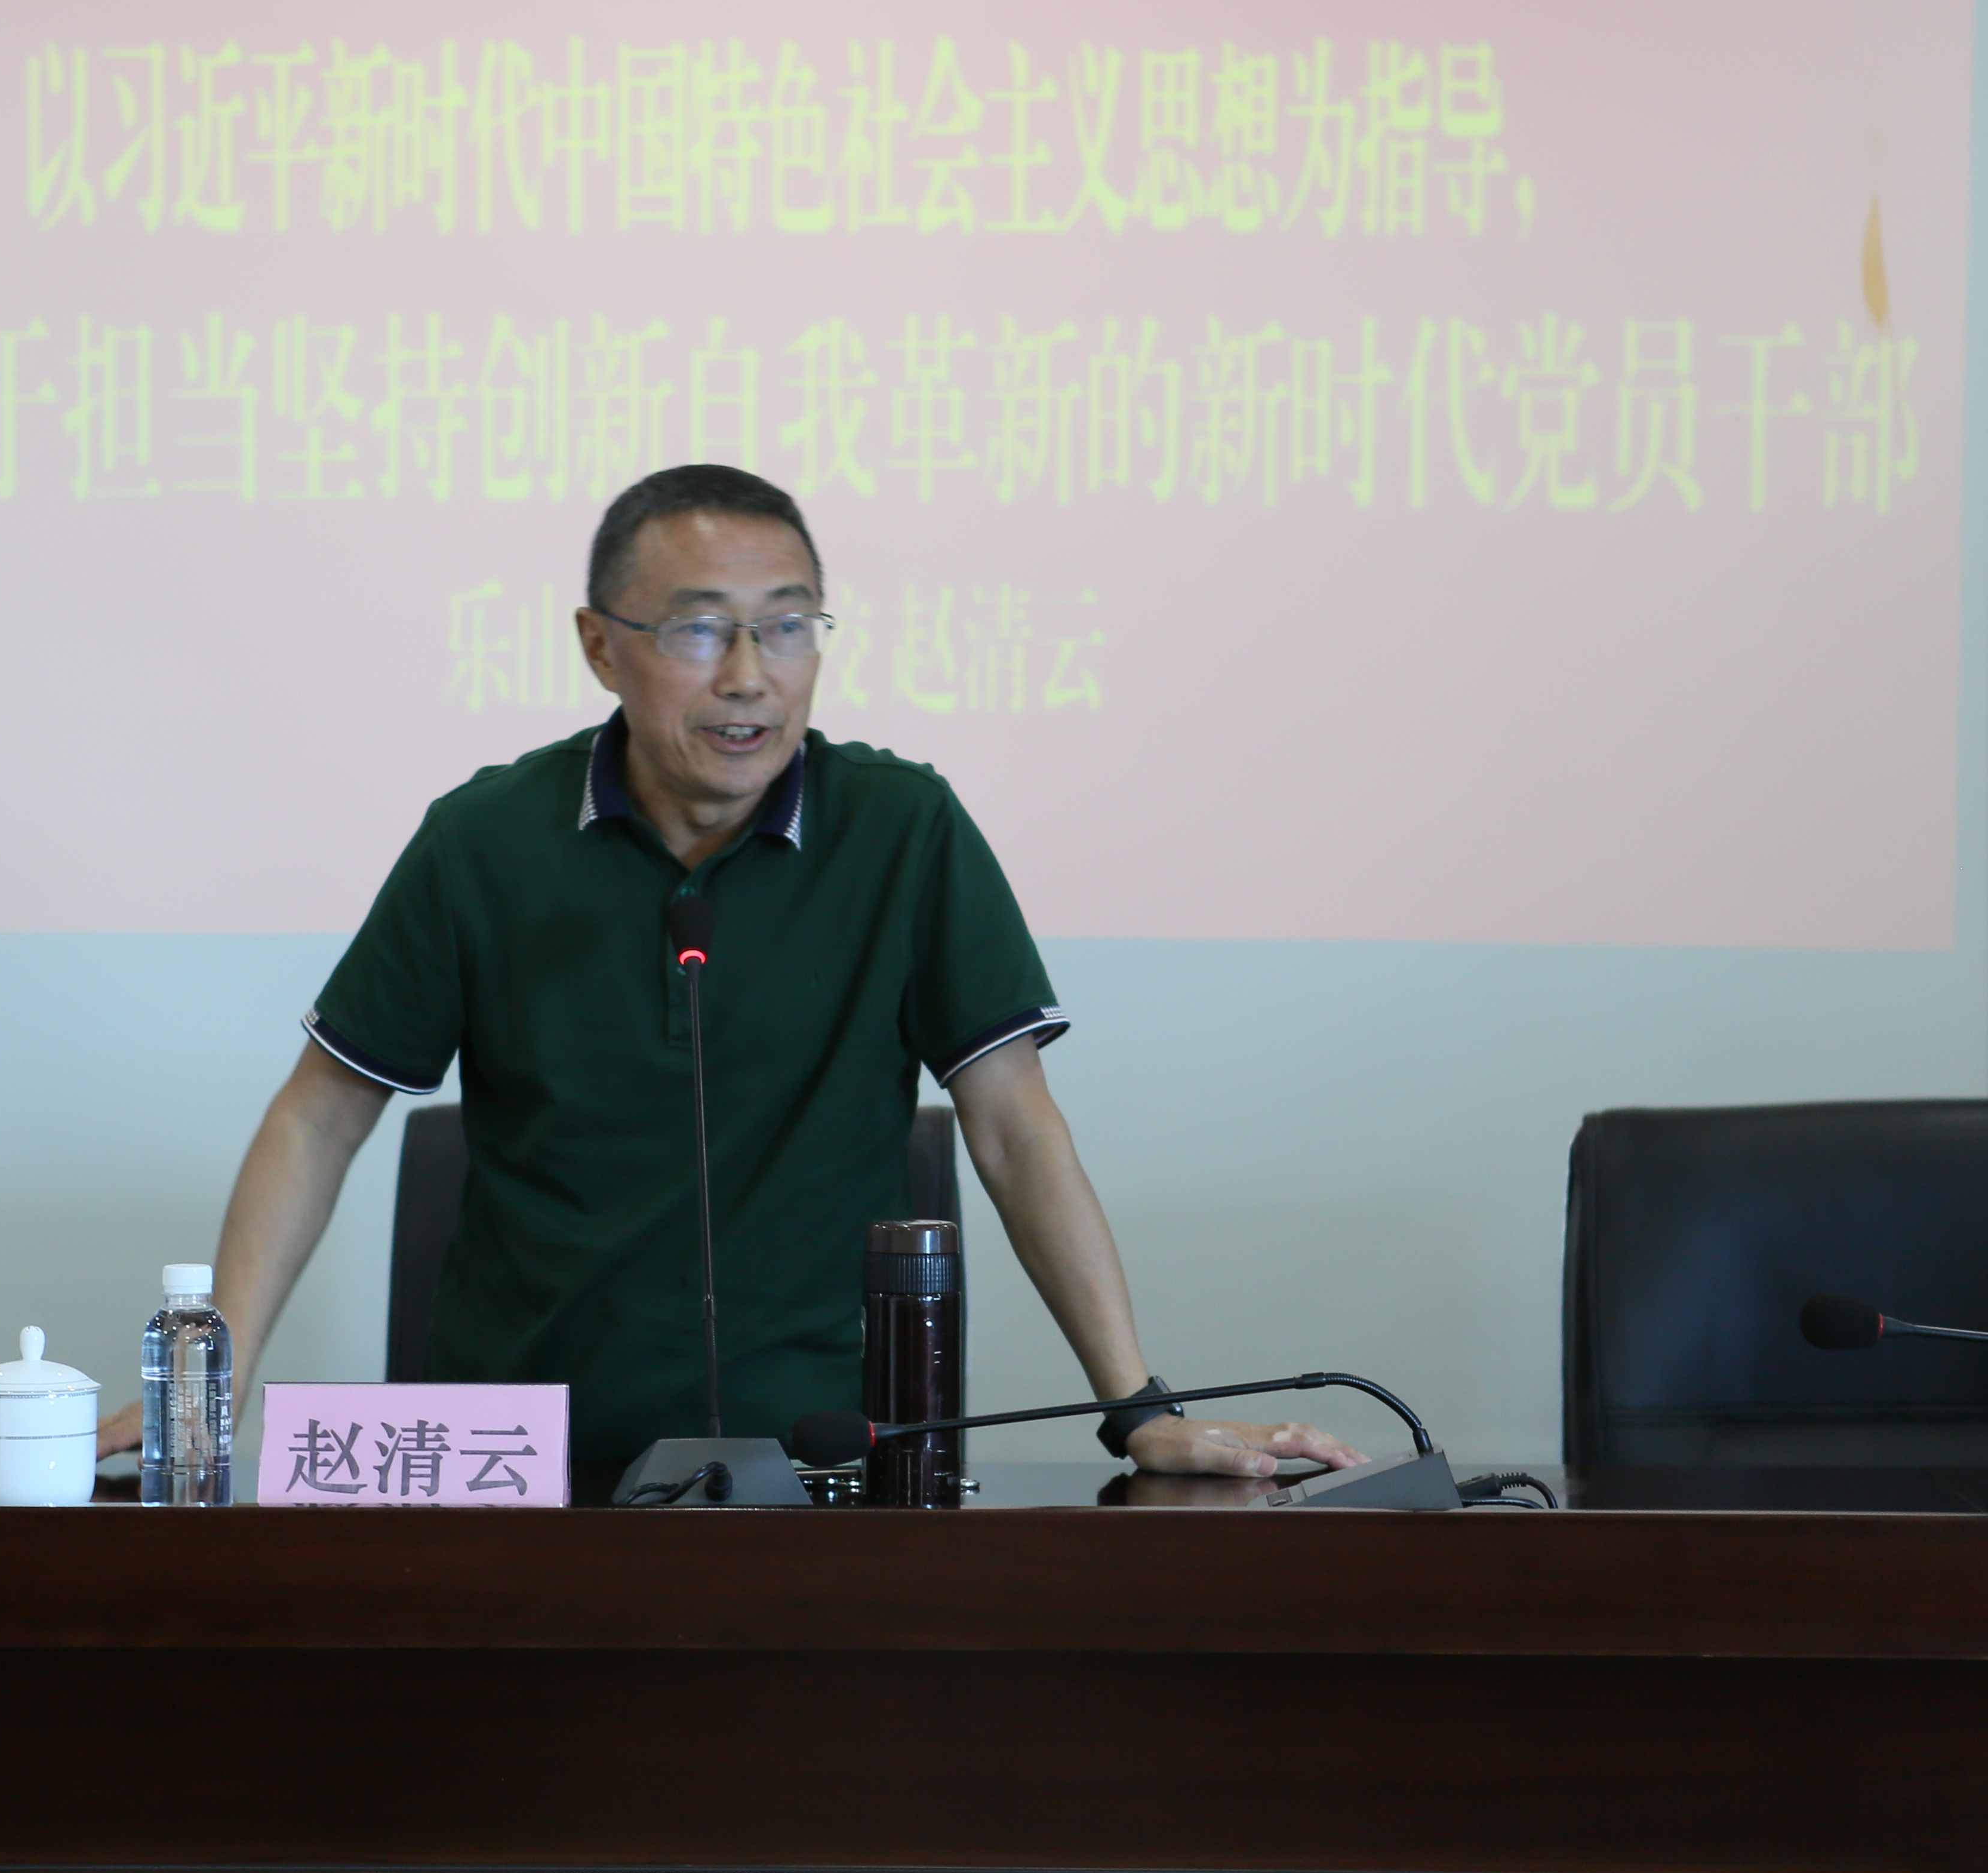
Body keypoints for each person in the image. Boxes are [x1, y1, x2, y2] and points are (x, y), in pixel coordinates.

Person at [96, 465, 1367, 1480]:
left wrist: (1139, 1411)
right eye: (701, 629)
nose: (751, 675)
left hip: (828, 1461)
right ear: (602, 646)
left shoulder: (902, 830)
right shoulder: (485, 841)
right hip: (518, 1469)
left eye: (789, 626)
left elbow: (1015, 1128)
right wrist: (211, 1388)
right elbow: (321, 1115)